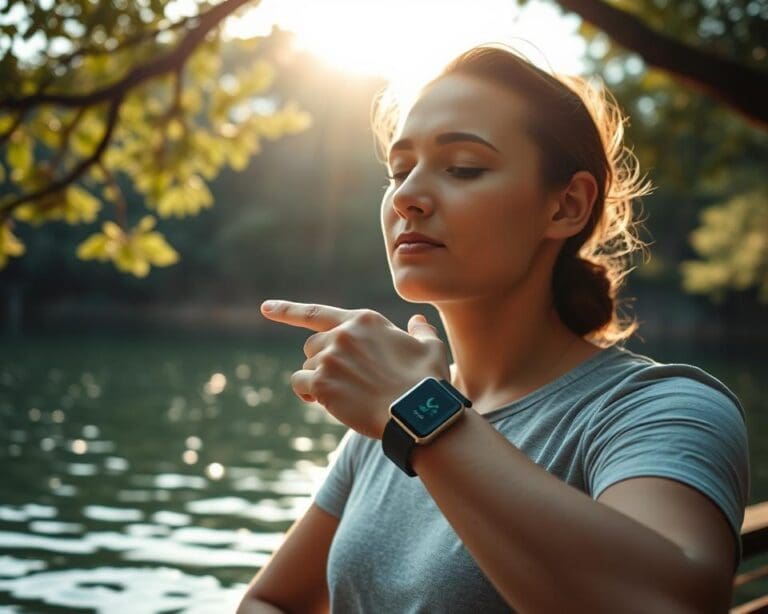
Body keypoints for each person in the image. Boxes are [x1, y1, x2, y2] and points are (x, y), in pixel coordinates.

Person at [236, 43, 749, 613]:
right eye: (399, 170)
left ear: (566, 206)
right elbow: (270, 601)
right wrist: (411, 410)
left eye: (462, 168)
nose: (406, 197)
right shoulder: (385, 423)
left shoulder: (655, 411)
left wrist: (424, 415)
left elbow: (672, 604)